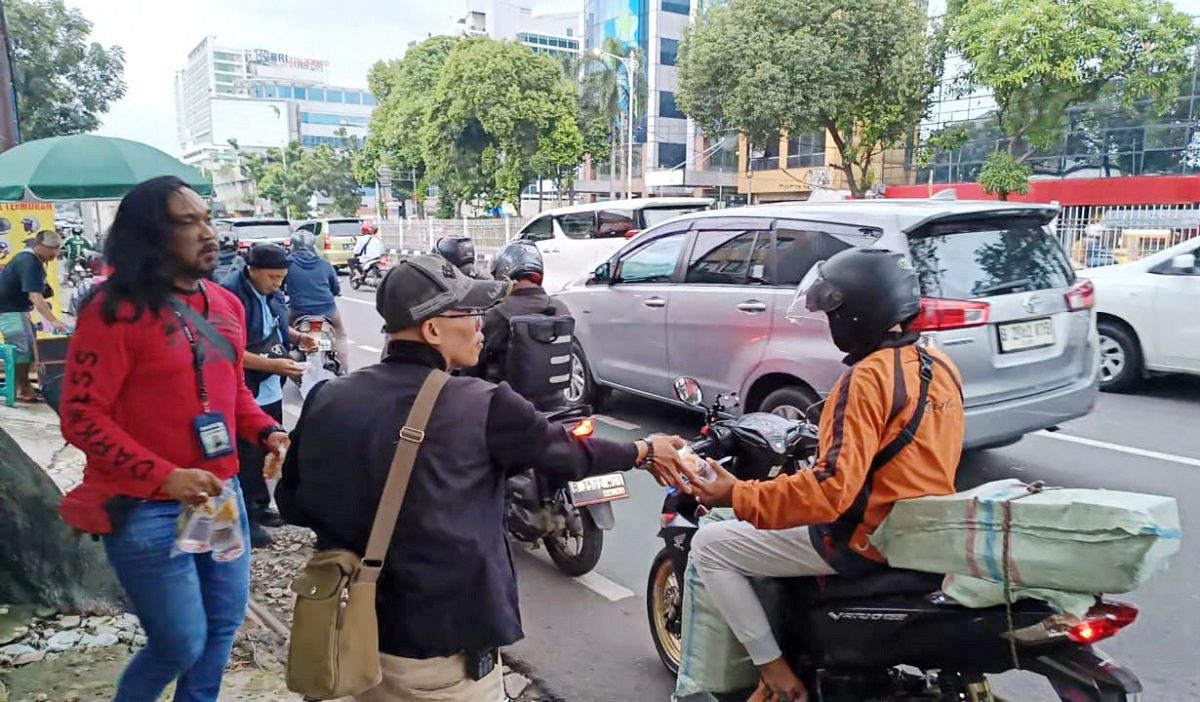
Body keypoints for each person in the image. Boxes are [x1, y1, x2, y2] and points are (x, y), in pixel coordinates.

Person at [277, 255, 690, 702]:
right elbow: (567, 454)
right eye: (471, 313)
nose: (481, 325)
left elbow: (293, 503)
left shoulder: (328, 397)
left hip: (348, 639)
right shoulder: (483, 404)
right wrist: (644, 451)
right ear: (432, 329)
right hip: (439, 656)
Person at [682, 248, 966, 702]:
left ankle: (773, 670)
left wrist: (737, 494)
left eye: (833, 312)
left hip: (866, 540)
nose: (831, 323)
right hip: (924, 535)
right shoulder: (940, 366)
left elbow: (832, 489)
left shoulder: (866, 380)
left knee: (710, 545)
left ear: (857, 312)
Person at [57, 176, 290, 702]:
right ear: (150, 236)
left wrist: (268, 431)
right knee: (180, 643)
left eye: (206, 218)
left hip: (220, 499)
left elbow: (230, 397)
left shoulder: (224, 306)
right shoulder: (112, 311)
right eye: (188, 223)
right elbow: (80, 416)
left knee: (223, 627)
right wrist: (165, 475)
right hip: (144, 508)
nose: (207, 233)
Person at [220, 244, 315, 547]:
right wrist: (273, 364)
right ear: (253, 270)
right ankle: (245, 516)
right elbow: (230, 353)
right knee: (245, 458)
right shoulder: (230, 296)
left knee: (268, 452)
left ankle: (261, 506)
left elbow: (276, 325)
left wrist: (299, 337)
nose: (277, 283)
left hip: (270, 384)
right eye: (273, 277)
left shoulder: (272, 293)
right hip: (246, 386)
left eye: (281, 278)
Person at [468, 240, 569, 410]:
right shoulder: (560, 308)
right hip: (557, 402)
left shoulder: (498, 314)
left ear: (503, 274)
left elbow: (474, 362)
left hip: (506, 406)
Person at [0, 229, 67, 402]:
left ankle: (25, 386)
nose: (55, 253)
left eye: (57, 248)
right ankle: (22, 389)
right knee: (23, 350)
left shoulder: (33, 260)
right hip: (10, 311)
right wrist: (54, 321)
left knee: (31, 349)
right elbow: (35, 296)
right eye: (52, 249)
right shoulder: (29, 262)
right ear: (39, 245)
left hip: (18, 310)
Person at [284, 230, 349, 366]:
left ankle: (285, 364)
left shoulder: (286, 264)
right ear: (313, 246)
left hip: (297, 310)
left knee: (284, 332)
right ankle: (343, 369)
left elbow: (278, 287)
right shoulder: (325, 264)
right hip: (327, 309)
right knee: (340, 335)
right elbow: (335, 288)